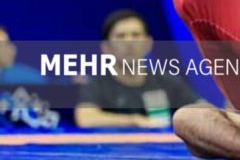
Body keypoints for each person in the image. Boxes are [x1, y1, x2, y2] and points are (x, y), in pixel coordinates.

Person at [74, 9, 205, 128]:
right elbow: (85, 118)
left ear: (148, 43)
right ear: (106, 47)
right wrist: (135, 121)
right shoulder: (98, 83)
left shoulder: (167, 81)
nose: (129, 42)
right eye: (120, 36)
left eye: (136, 35)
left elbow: (202, 108)